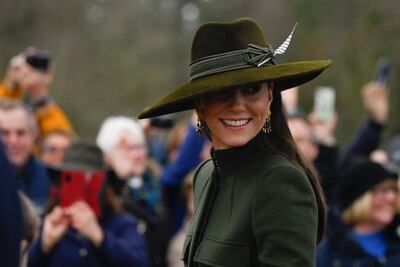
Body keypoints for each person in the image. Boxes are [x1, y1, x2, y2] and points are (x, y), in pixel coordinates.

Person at [138, 18, 331, 266]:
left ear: (270, 95)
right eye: (221, 92)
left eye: (252, 89)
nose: (238, 105)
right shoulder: (205, 174)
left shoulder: (281, 182)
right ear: (200, 105)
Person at [27, 141, 149, 267]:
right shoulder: (47, 223)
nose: (81, 189)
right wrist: (44, 245)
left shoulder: (122, 224)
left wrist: (99, 237)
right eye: (71, 180)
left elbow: (140, 262)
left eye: (89, 180)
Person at [96, 116, 167, 267]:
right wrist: (118, 176)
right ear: (107, 156)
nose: (139, 154)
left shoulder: (152, 184)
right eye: (129, 148)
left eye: (141, 147)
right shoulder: (103, 193)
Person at [317, 160, 400, 266]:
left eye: (394, 191)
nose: (391, 198)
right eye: (383, 191)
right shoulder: (328, 248)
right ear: (359, 199)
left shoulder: (395, 248)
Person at [0, 99, 51, 214]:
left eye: (21, 133)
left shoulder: (51, 181)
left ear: (34, 135)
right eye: (4, 133)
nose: (13, 141)